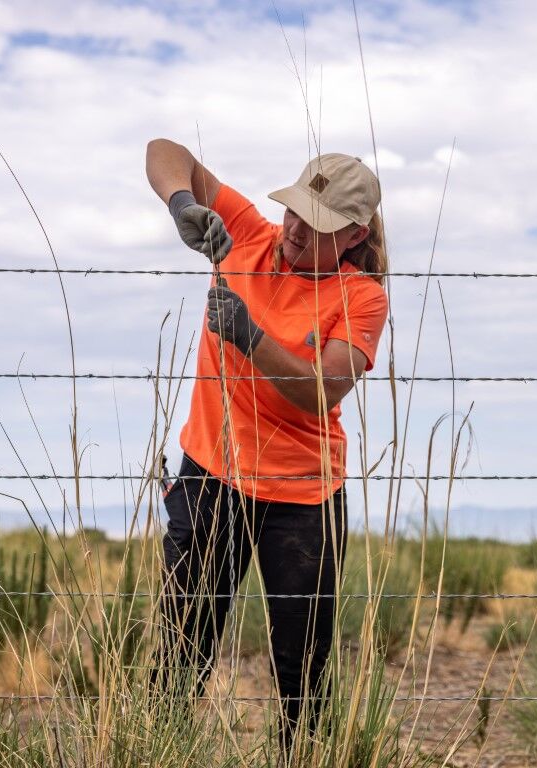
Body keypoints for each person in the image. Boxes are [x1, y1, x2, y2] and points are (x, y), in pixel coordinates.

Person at [145, 138, 389, 749]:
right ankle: (157, 753)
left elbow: (322, 391)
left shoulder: (362, 297)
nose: (297, 232)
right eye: (296, 214)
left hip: (304, 499)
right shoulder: (248, 234)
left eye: (320, 227)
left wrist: (249, 336)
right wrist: (182, 205)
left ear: (355, 236)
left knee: (303, 678)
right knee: (180, 654)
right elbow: (163, 151)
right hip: (211, 479)